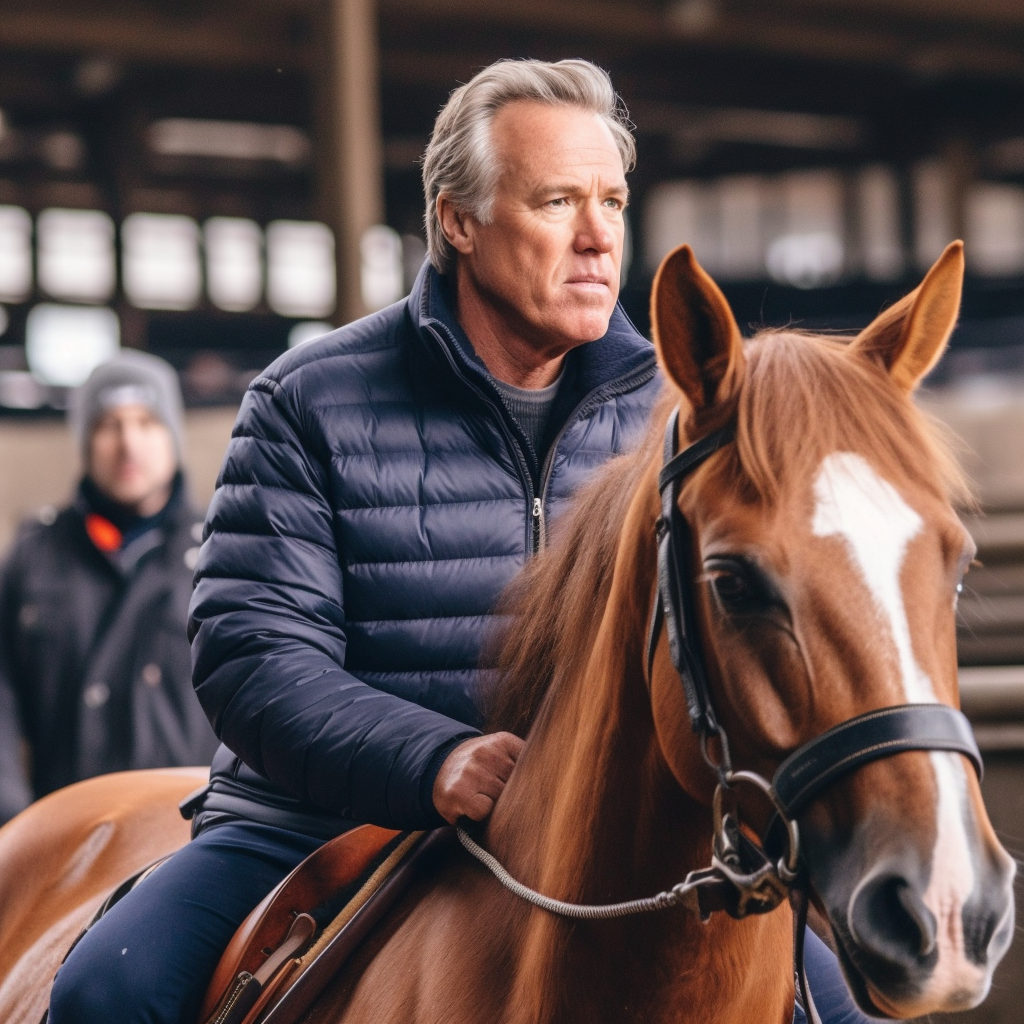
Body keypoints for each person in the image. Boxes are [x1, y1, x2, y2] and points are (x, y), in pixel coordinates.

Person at [48, 60, 875, 1024]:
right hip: (320, 821)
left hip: (602, 837)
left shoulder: (675, 409)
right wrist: (434, 758)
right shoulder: (307, 399)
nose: (600, 235)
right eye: (558, 200)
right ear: (458, 220)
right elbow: (252, 655)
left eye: (612, 199)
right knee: (111, 991)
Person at [0, 351, 219, 825]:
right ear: (84, 440)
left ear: (174, 435)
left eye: (147, 422)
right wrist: (12, 821)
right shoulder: (35, 553)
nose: (128, 443)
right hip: (65, 840)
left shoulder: (225, 552)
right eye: (108, 425)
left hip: (193, 837)